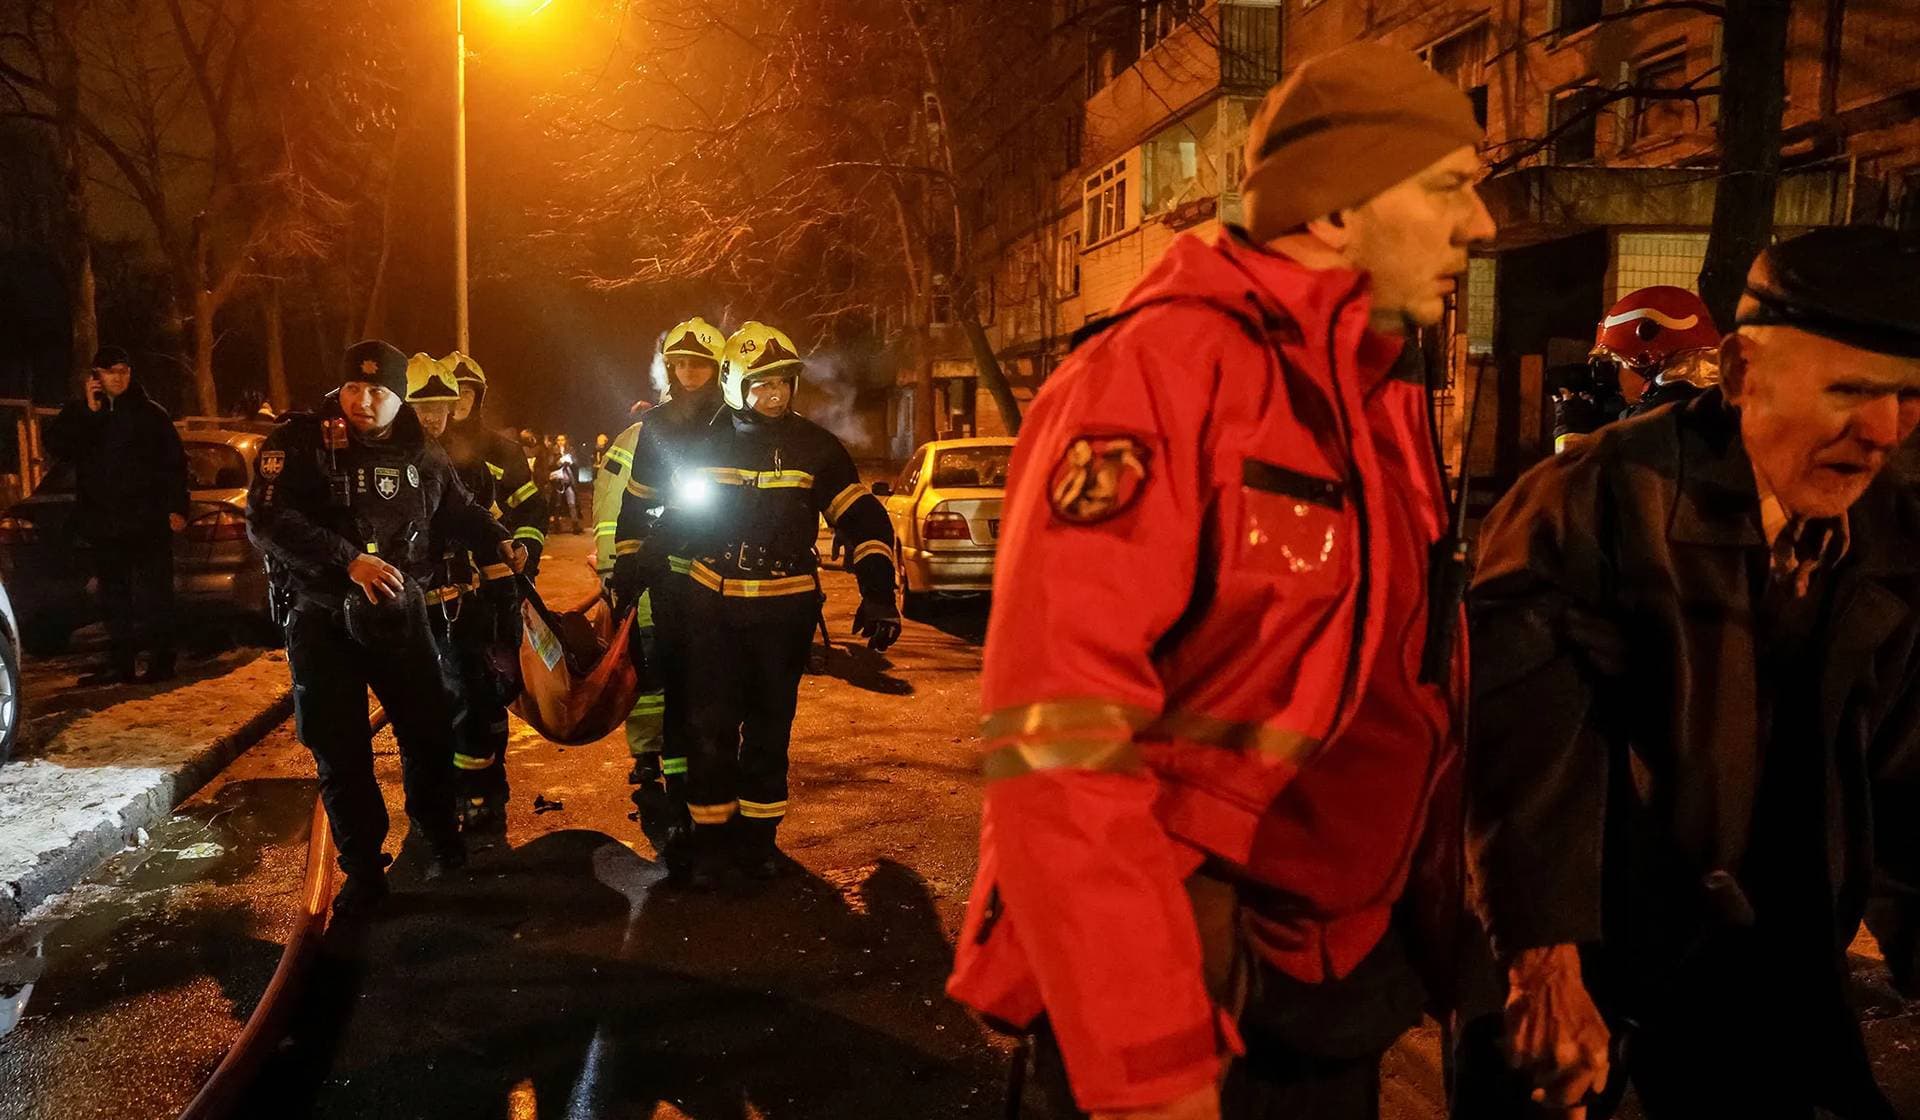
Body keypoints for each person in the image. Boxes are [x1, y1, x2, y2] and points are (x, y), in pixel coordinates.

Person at [945, 42, 1495, 1120]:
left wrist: (1465, 948)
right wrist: (1152, 1064)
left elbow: (1404, 696)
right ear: (1333, 212)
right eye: (1450, 188)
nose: (1481, 228)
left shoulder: (1374, 391)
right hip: (1192, 994)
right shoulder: (1156, 373)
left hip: (1332, 994)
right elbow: (1062, 737)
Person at [1464, 226, 1920, 1120]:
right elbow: (1521, 750)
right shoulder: (1591, 501)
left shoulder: (1895, 530)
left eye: (1909, 397)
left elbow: (1907, 768)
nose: (1882, 433)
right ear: (1744, 374)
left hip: (1754, 948)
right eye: (1851, 392)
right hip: (1569, 922)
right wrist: (1542, 957)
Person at [612, 320, 899, 888]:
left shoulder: (816, 447)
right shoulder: (698, 442)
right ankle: (713, 845)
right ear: (735, 383)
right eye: (761, 385)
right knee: (709, 729)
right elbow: (665, 516)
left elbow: (862, 517)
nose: (773, 396)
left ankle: (759, 844)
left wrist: (878, 590)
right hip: (708, 611)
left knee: (770, 732)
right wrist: (633, 567)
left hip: (781, 616)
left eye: (783, 385)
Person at [246, 340, 525, 916]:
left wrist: (498, 538)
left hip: (401, 617)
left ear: (400, 398)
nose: (363, 402)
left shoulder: (421, 448)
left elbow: (457, 508)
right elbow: (268, 518)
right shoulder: (300, 441)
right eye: (353, 388)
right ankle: (364, 870)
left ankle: (439, 838)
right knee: (341, 750)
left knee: (428, 733)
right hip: (324, 619)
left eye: (379, 392)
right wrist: (348, 559)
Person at [606, 317, 727, 853]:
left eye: (698, 363)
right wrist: (628, 566)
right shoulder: (655, 426)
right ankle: (679, 795)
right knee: (675, 685)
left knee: (722, 691)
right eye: (680, 364)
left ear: (717, 369)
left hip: (729, 577)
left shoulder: (735, 421)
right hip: (672, 573)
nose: (689, 372)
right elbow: (632, 502)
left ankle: (723, 798)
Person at [407, 352, 538, 833]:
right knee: (431, 706)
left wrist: (518, 564)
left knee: (481, 696)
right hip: (415, 603)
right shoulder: (402, 459)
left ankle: (482, 795)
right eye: (439, 399)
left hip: (474, 596)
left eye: (461, 395)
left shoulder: (489, 458)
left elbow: (513, 520)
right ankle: (436, 804)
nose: (449, 408)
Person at [46, 346, 189, 685]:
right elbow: (59, 449)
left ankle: (161, 661)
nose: (119, 378)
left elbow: (174, 464)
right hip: (106, 523)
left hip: (148, 521)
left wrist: (177, 507)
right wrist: (89, 413)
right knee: (114, 599)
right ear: (96, 376)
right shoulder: (82, 414)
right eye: (111, 372)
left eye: (124, 371)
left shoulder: (151, 414)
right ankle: (121, 662)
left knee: (155, 596)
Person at [1553, 286, 1721, 453]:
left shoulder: (1655, 423)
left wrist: (1571, 432)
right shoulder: (1719, 406)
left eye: (1617, 362)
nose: (1613, 374)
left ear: (1648, 362)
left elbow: (1581, 478)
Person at [448, 353, 548, 569]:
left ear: (478, 398)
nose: (459, 400)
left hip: (496, 574)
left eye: (466, 392)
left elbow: (531, 508)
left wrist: (526, 551)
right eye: (453, 391)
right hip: (441, 579)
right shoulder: (424, 449)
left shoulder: (504, 451)